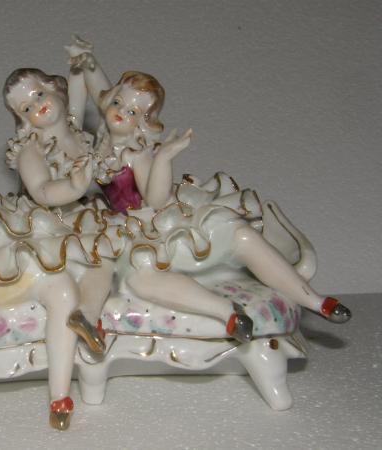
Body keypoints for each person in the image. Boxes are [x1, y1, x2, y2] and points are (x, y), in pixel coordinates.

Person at [65, 37, 351, 342]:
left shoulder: (138, 153)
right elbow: (98, 86)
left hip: (153, 220)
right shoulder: (103, 137)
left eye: (134, 112)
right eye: (118, 103)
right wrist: (87, 60)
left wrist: (163, 158)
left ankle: (315, 301)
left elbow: (156, 198)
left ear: (143, 123)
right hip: (117, 226)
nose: (122, 112)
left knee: (238, 235)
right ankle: (228, 313)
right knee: (138, 279)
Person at [0, 68, 120, 430]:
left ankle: (88, 317)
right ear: (22, 119)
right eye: (25, 108)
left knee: (104, 260)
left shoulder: (75, 129)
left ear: (55, 91)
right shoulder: (30, 149)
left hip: (82, 222)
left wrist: (85, 64)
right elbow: (43, 191)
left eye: (38, 95)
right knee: (63, 289)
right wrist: (75, 186)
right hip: (43, 225)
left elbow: (83, 91)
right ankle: (59, 397)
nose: (36, 107)